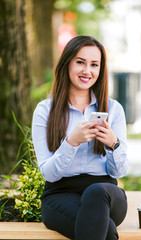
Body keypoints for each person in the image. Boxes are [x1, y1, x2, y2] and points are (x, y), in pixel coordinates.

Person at [32, 35, 128, 240]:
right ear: (67, 63)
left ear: (101, 70)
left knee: (95, 193)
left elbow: (119, 171)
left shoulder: (114, 109)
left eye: (94, 64)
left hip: (107, 194)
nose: (87, 71)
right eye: (80, 62)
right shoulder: (45, 111)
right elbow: (49, 174)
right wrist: (71, 142)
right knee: (106, 230)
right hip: (60, 194)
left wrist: (113, 144)